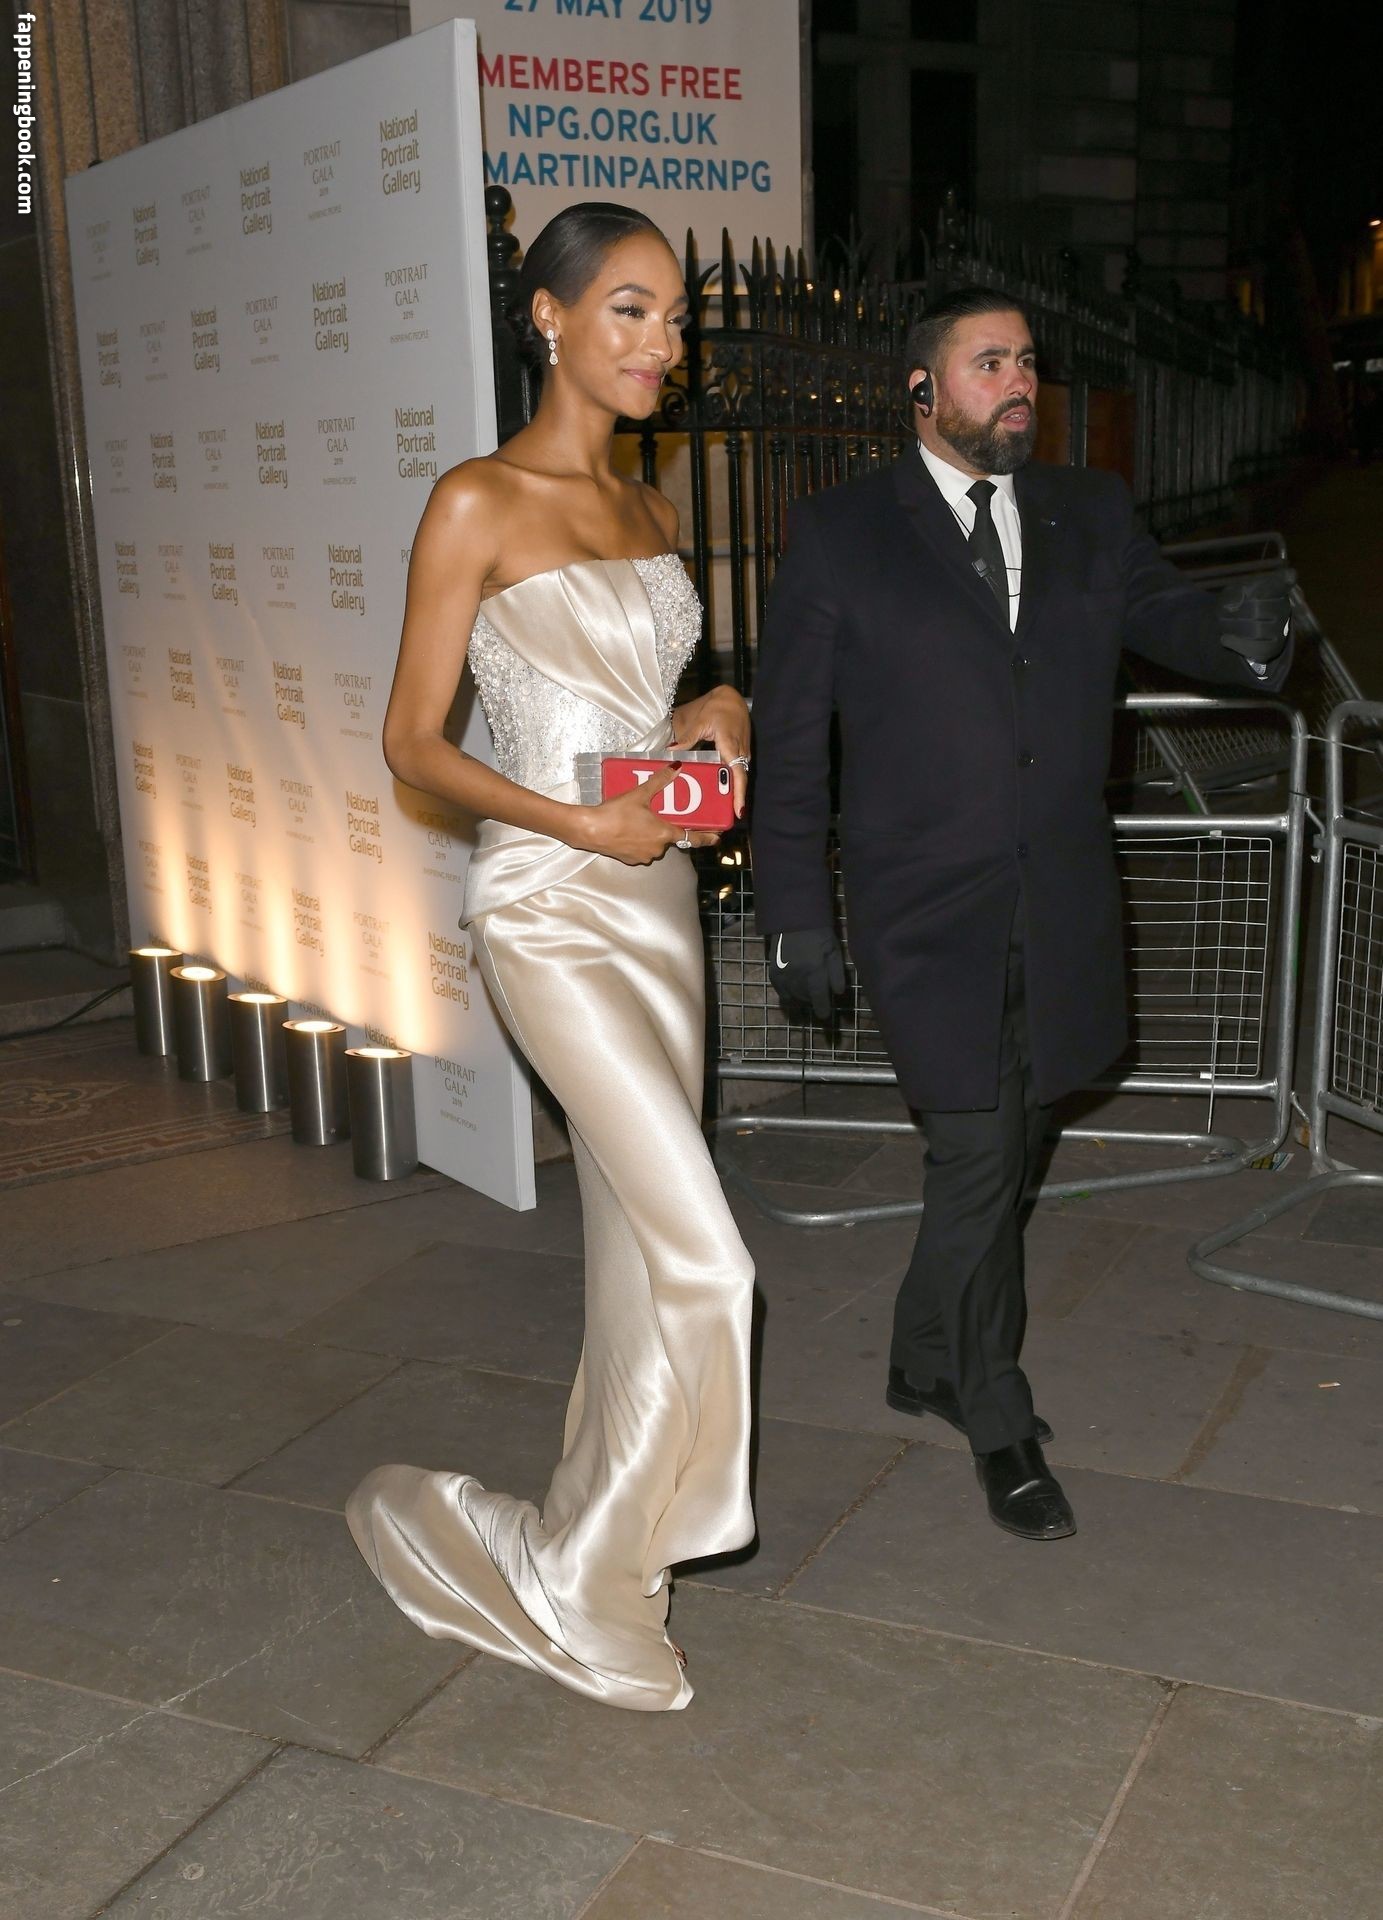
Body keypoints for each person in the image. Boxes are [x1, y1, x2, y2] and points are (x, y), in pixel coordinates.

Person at [750, 285, 1293, 1544]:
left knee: (1014, 1137)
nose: (1019, 383)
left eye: (1028, 362)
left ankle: (918, 1350)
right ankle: (993, 1411)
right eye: (988, 362)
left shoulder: (1086, 509)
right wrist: (794, 914)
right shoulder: (841, 533)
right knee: (981, 1155)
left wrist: (1241, 638)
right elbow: (793, 743)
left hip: (1056, 897)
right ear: (921, 391)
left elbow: (1164, 613)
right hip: (920, 905)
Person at [346, 203, 756, 1710]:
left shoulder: (651, 510)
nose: (664, 342)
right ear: (549, 317)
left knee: (640, 1253)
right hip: (546, 904)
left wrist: (720, 712)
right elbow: (410, 742)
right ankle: (593, 1566)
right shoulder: (475, 501)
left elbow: (658, 705)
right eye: (630, 309)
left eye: (674, 316)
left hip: (659, 909)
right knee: (708, 1254)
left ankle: (602, 1556)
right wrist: (576, 826)